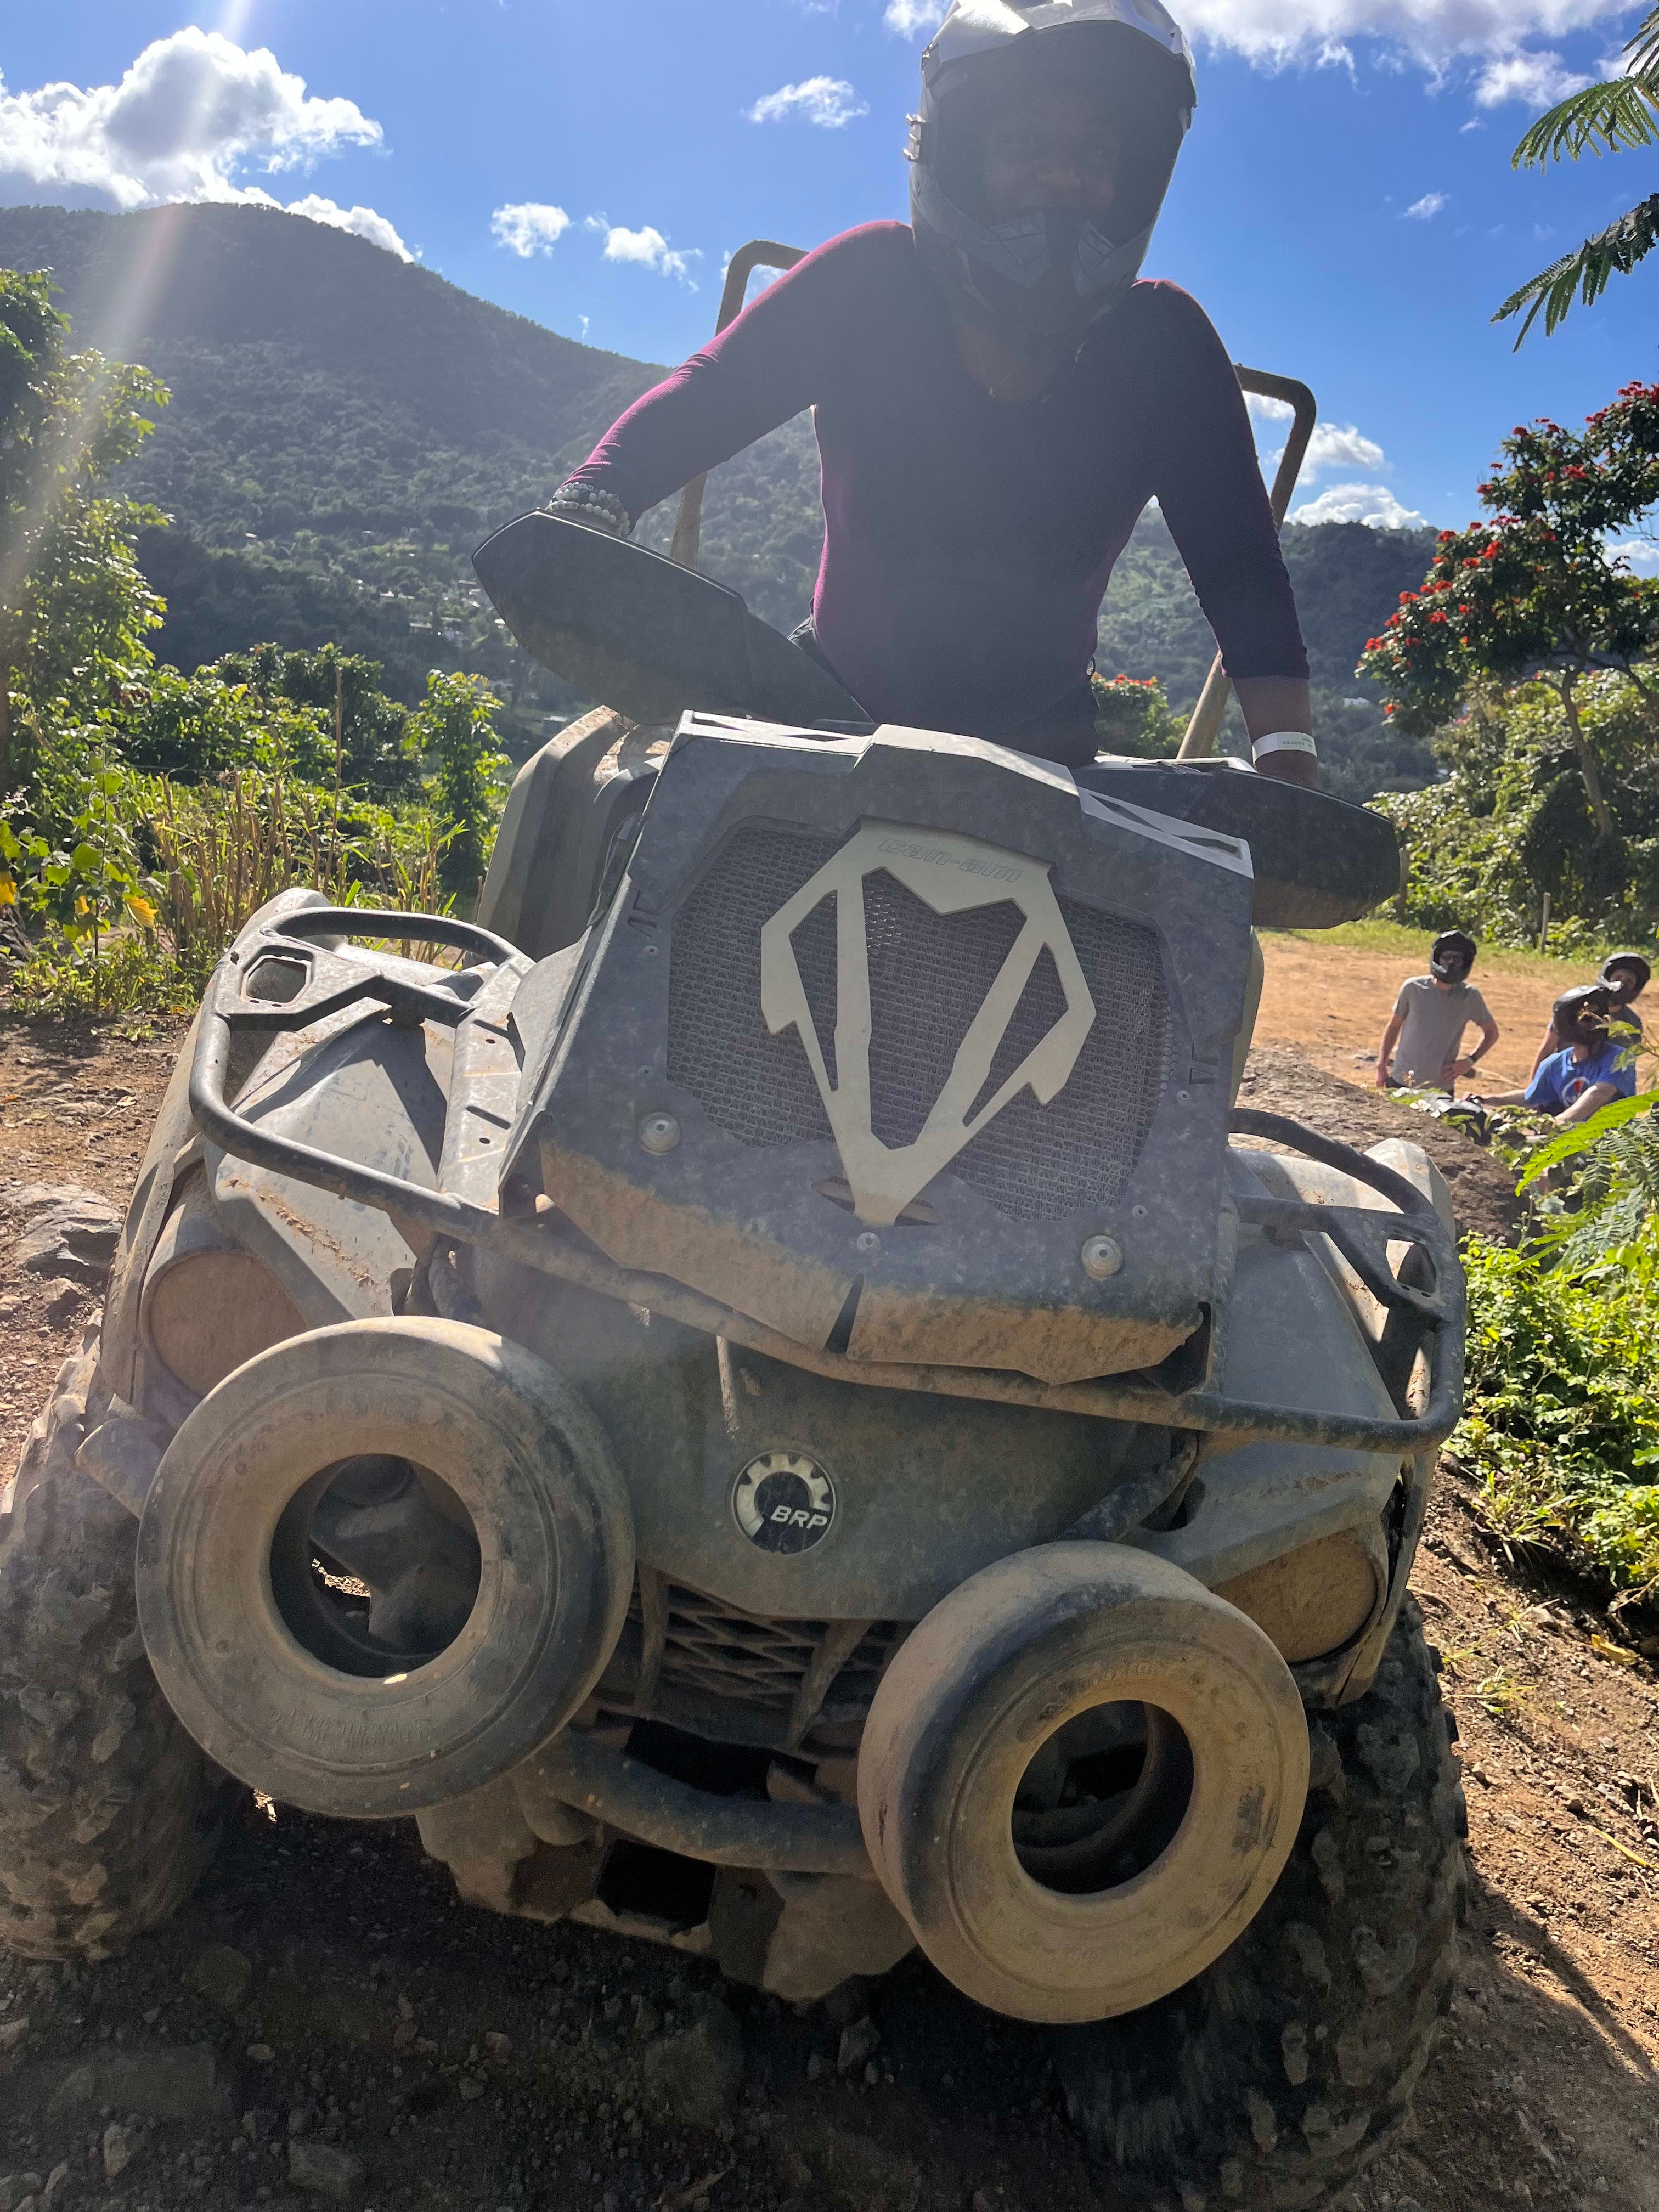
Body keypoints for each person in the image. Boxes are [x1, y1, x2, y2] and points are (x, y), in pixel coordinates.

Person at [544, 0, 1318, 786]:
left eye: (1096, 152)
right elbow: (714, 391)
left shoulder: (1164, 345)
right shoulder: (872, 282)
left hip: (1045, 766)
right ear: (958, 150)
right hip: (826, 720)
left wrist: (1289, 765)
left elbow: (1242, 569)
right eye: (1026, 142)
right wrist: (590, 505)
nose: (1063, 173)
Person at [1474, 983, 1638, 1125]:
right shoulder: (1555, 1065)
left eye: (1599, 1017)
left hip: (1615, 1152)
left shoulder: (1619, 1058)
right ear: (1567, 1025)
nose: (1596, 1023)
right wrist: (1486, 1100)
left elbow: (1600, 1092)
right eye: (1587, 1019)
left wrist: (1558, 1124)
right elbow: (1529, 1098)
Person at [1374, 930, 1500, 1094]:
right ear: (1437, 958)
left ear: (1466, 962)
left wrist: (1470, 1061)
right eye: (1447, 957)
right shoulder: (1413, 988)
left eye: (1457, 959)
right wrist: (1381, 1065)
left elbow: (1492, 1033)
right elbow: (1394, 1026)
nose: (1451, 963)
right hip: (1402, 1082)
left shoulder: (1469, 997)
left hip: (1441, 1089)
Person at [1530, 951, 1650, 1075]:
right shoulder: (1575, 1006)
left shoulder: (1632, 1022)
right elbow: (1547, 1048)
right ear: (1608, 977)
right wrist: (1533, 1087)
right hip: (1563, 1077)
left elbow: (1626, 1064)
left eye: (1629, 982)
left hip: (1603, 1082)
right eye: (1618, 977)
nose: (1622, 984)